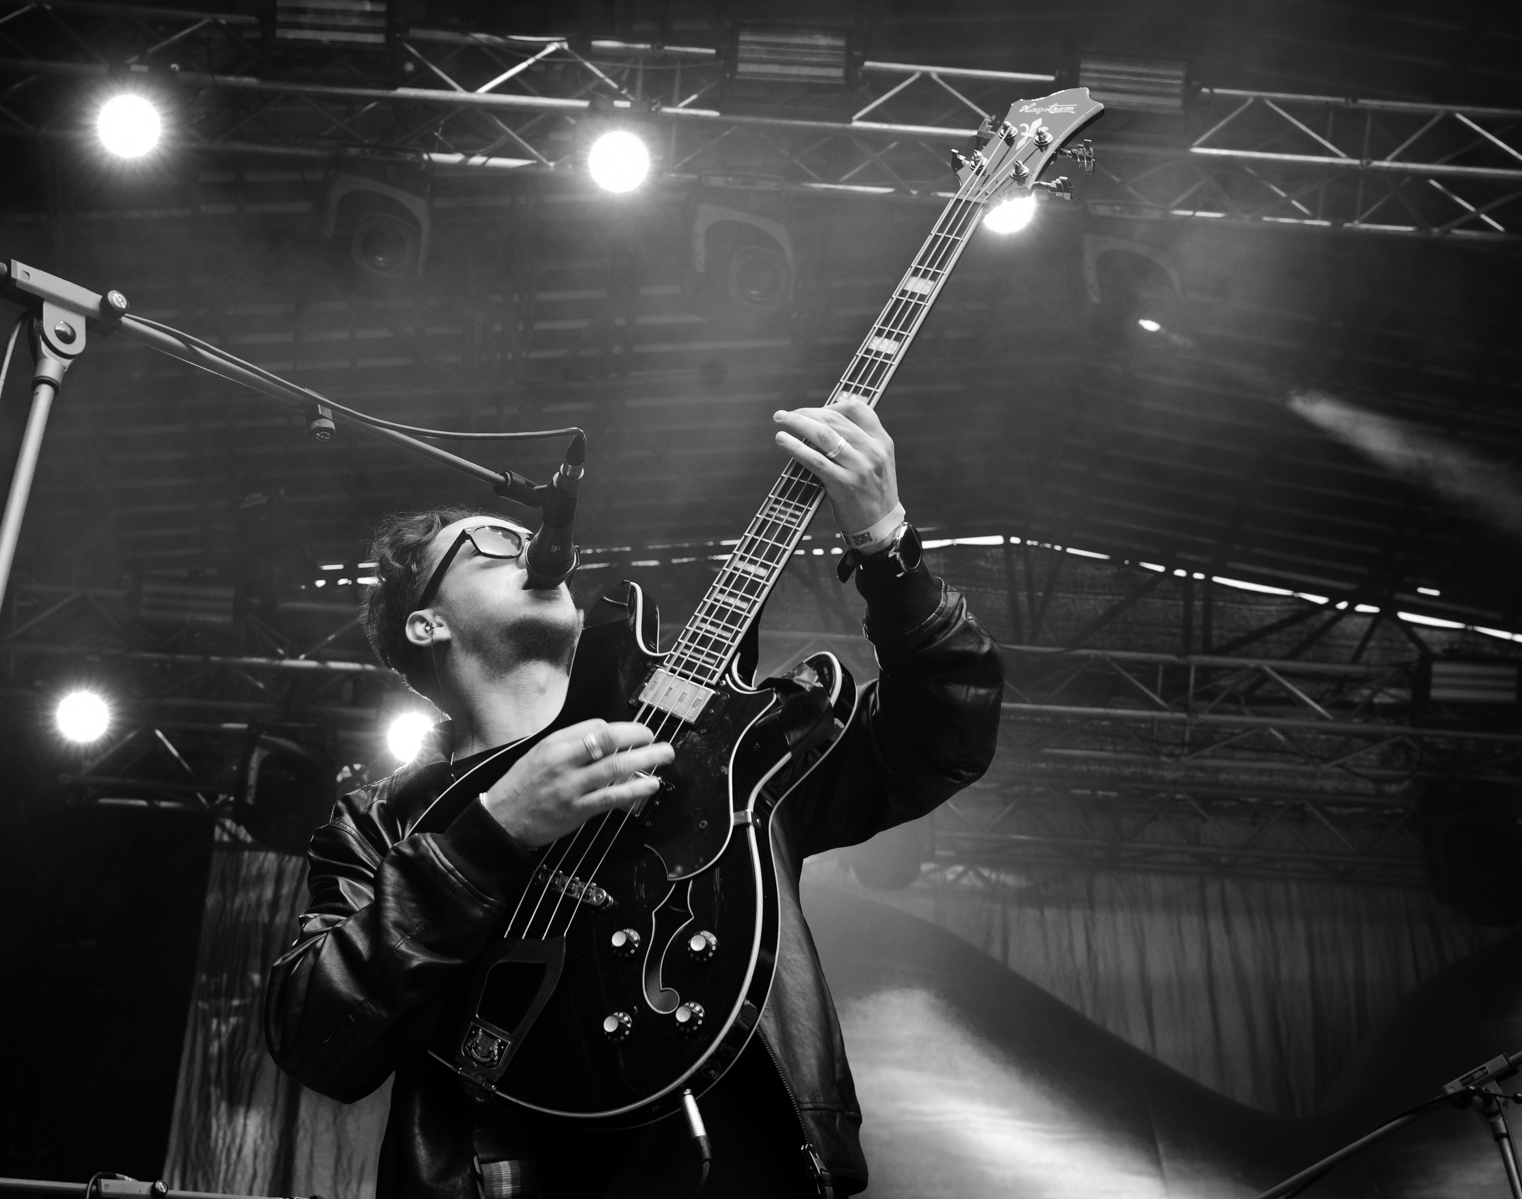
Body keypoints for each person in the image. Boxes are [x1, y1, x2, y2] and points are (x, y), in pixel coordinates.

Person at [264, 398, 1004, 1198]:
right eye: (494, 542)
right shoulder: (380, 820)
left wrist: (887, 545)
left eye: (533, 534)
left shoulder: (727, 755)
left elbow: (942, 740)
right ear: (426, 625)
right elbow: (314, 1033)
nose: (539, 544)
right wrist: (495, 830)